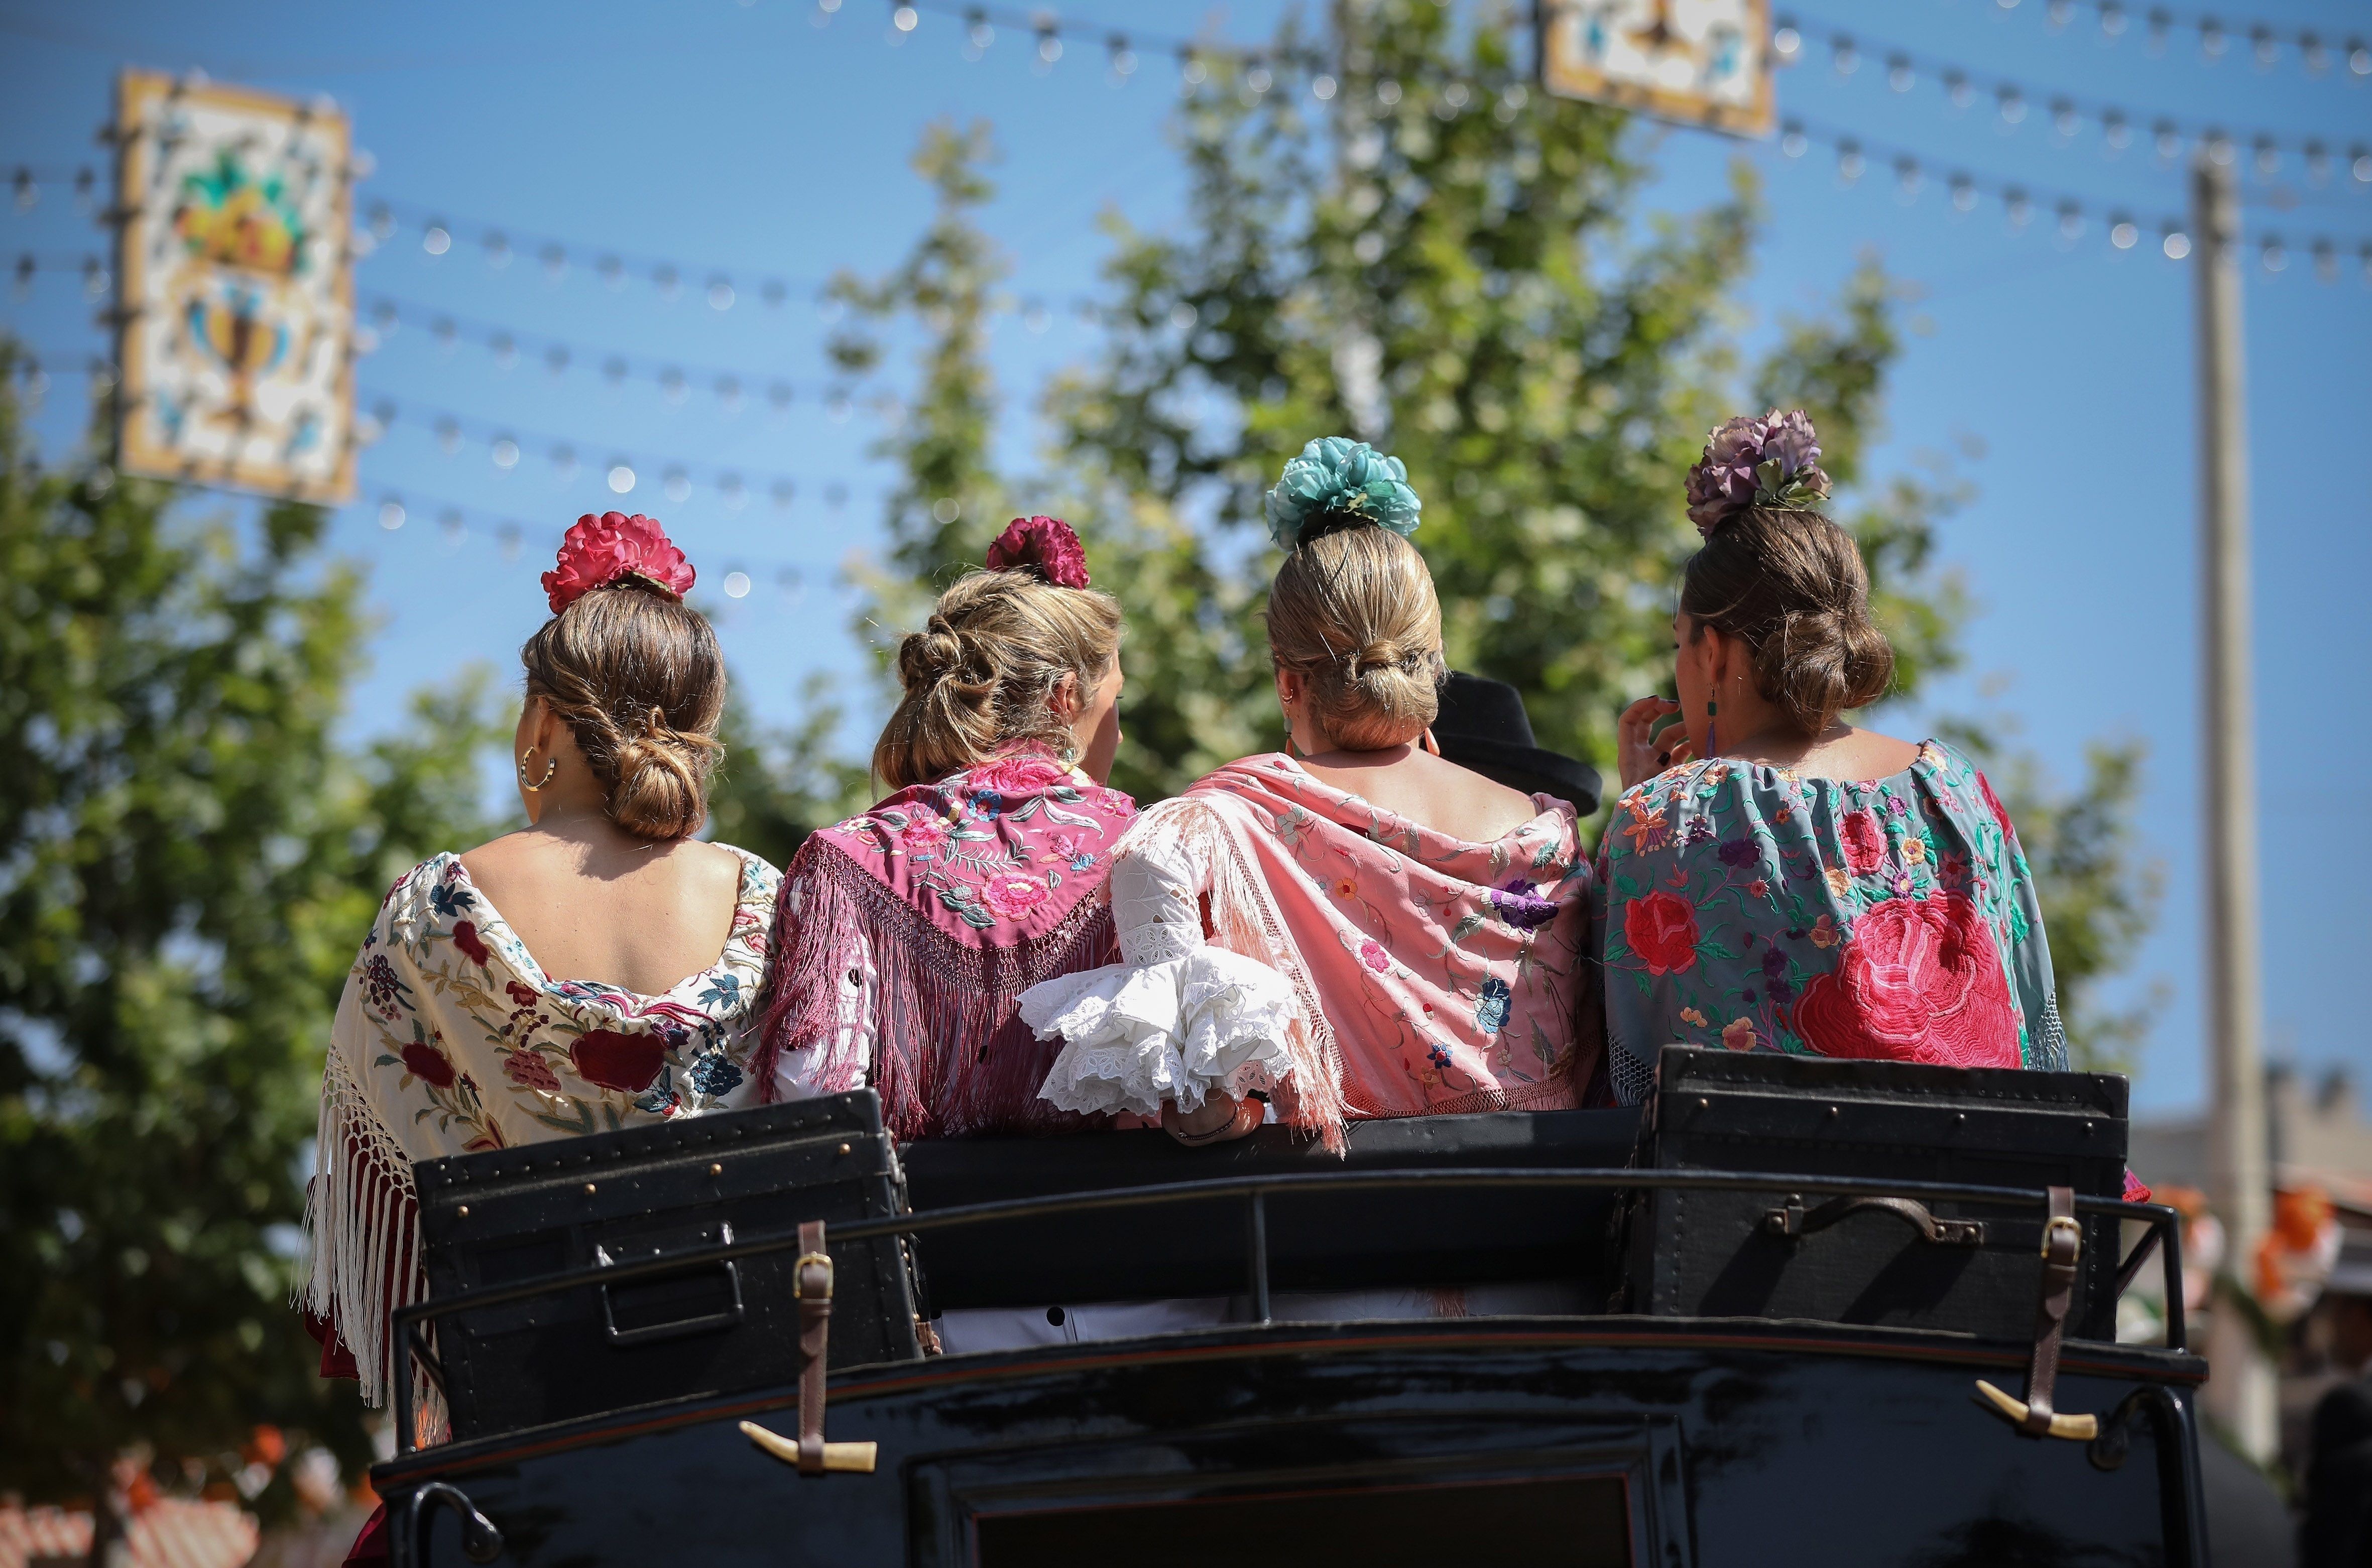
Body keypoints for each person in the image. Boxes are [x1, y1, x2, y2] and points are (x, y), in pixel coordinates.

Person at [302, 513, 779, 1556]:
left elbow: (385, 1175)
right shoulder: (775, 902)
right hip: (748, 1414)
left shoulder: (436, 906)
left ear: (547, 726)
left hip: (530, 1416)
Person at [1020, 437, 1600, 1159]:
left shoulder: (1228, 818)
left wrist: (1208, 1095)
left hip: (1338, 1235)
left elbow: (1149, 860)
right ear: (1434, 656)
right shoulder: (1546, 829)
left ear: (1288, 682)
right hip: (1539, 1224)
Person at [1596, 410, 2066, 1103]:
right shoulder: (1956, 788)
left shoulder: (1670, 811)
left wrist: (1641, 813)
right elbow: (2034, 1024)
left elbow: (1616, 1049)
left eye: (1679, 643)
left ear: (1715, 651)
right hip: (1973, 1192)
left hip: (1752, 1200)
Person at [753, 516, 1137, 1141]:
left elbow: (815, 1105)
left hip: (919, 1231)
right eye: (1115, 699)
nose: (1117, 728)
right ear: (1065, 698)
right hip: (1116, 1228)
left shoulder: (845, 860)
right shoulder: (1149, 845)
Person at [2303, 1233, 2372, 1567]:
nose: (2330, 1326)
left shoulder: (2351, 1407)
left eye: (2333, 1311)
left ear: (2359, 1315)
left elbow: (2330, 1539)